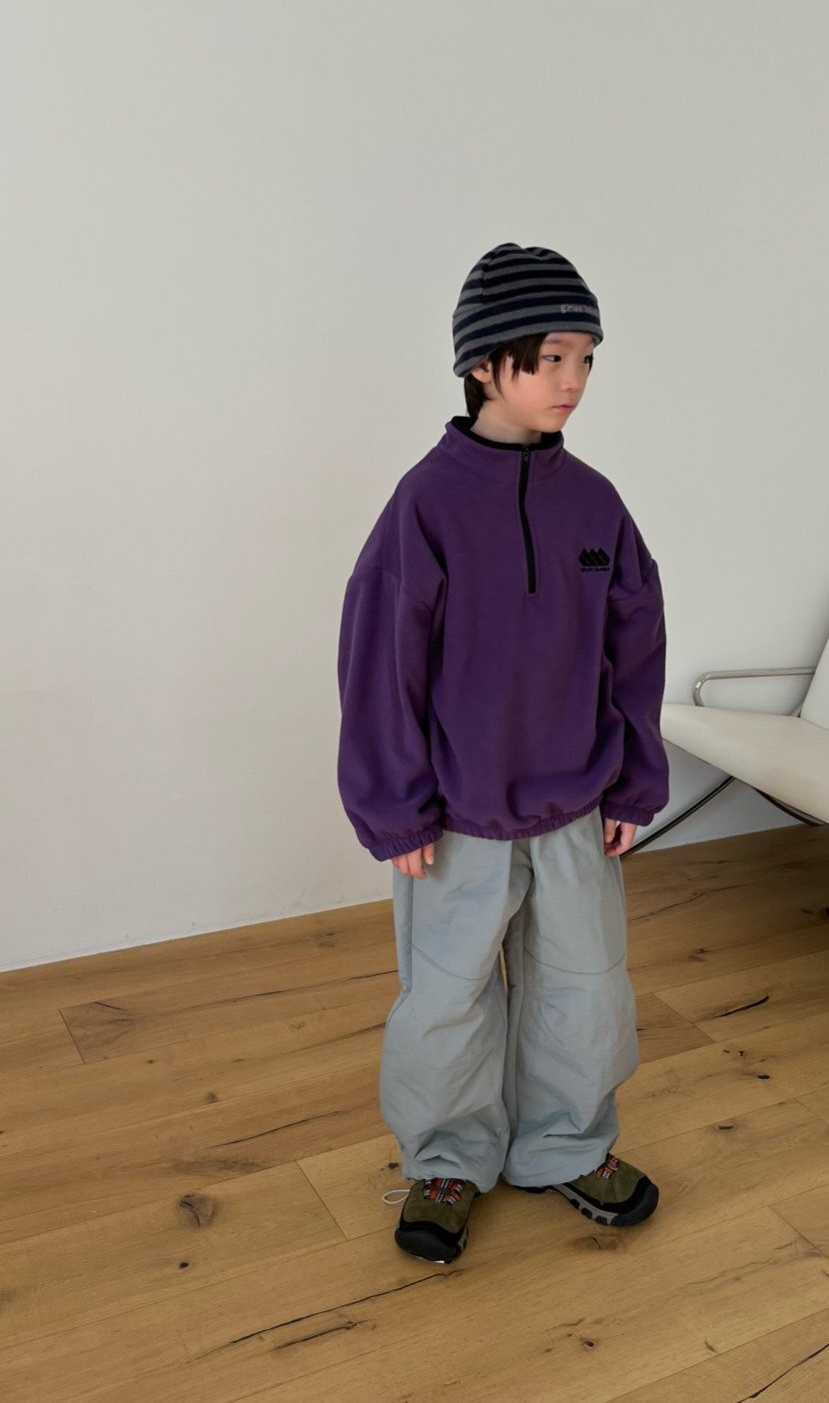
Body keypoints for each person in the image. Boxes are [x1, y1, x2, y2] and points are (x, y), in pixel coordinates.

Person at [335, 240, 669, 1265]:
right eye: (552, 357)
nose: (573, 380)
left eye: (586, 359)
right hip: (455, 813)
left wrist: (634, 781)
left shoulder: (595, 503)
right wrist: (393, 803)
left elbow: (635, 645)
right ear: (484, 363)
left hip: (576, 802)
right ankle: (446, 1157)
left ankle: (567, 1143)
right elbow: (379, 658)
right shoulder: (426, 503)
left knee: (586, 983)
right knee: (446, 996)